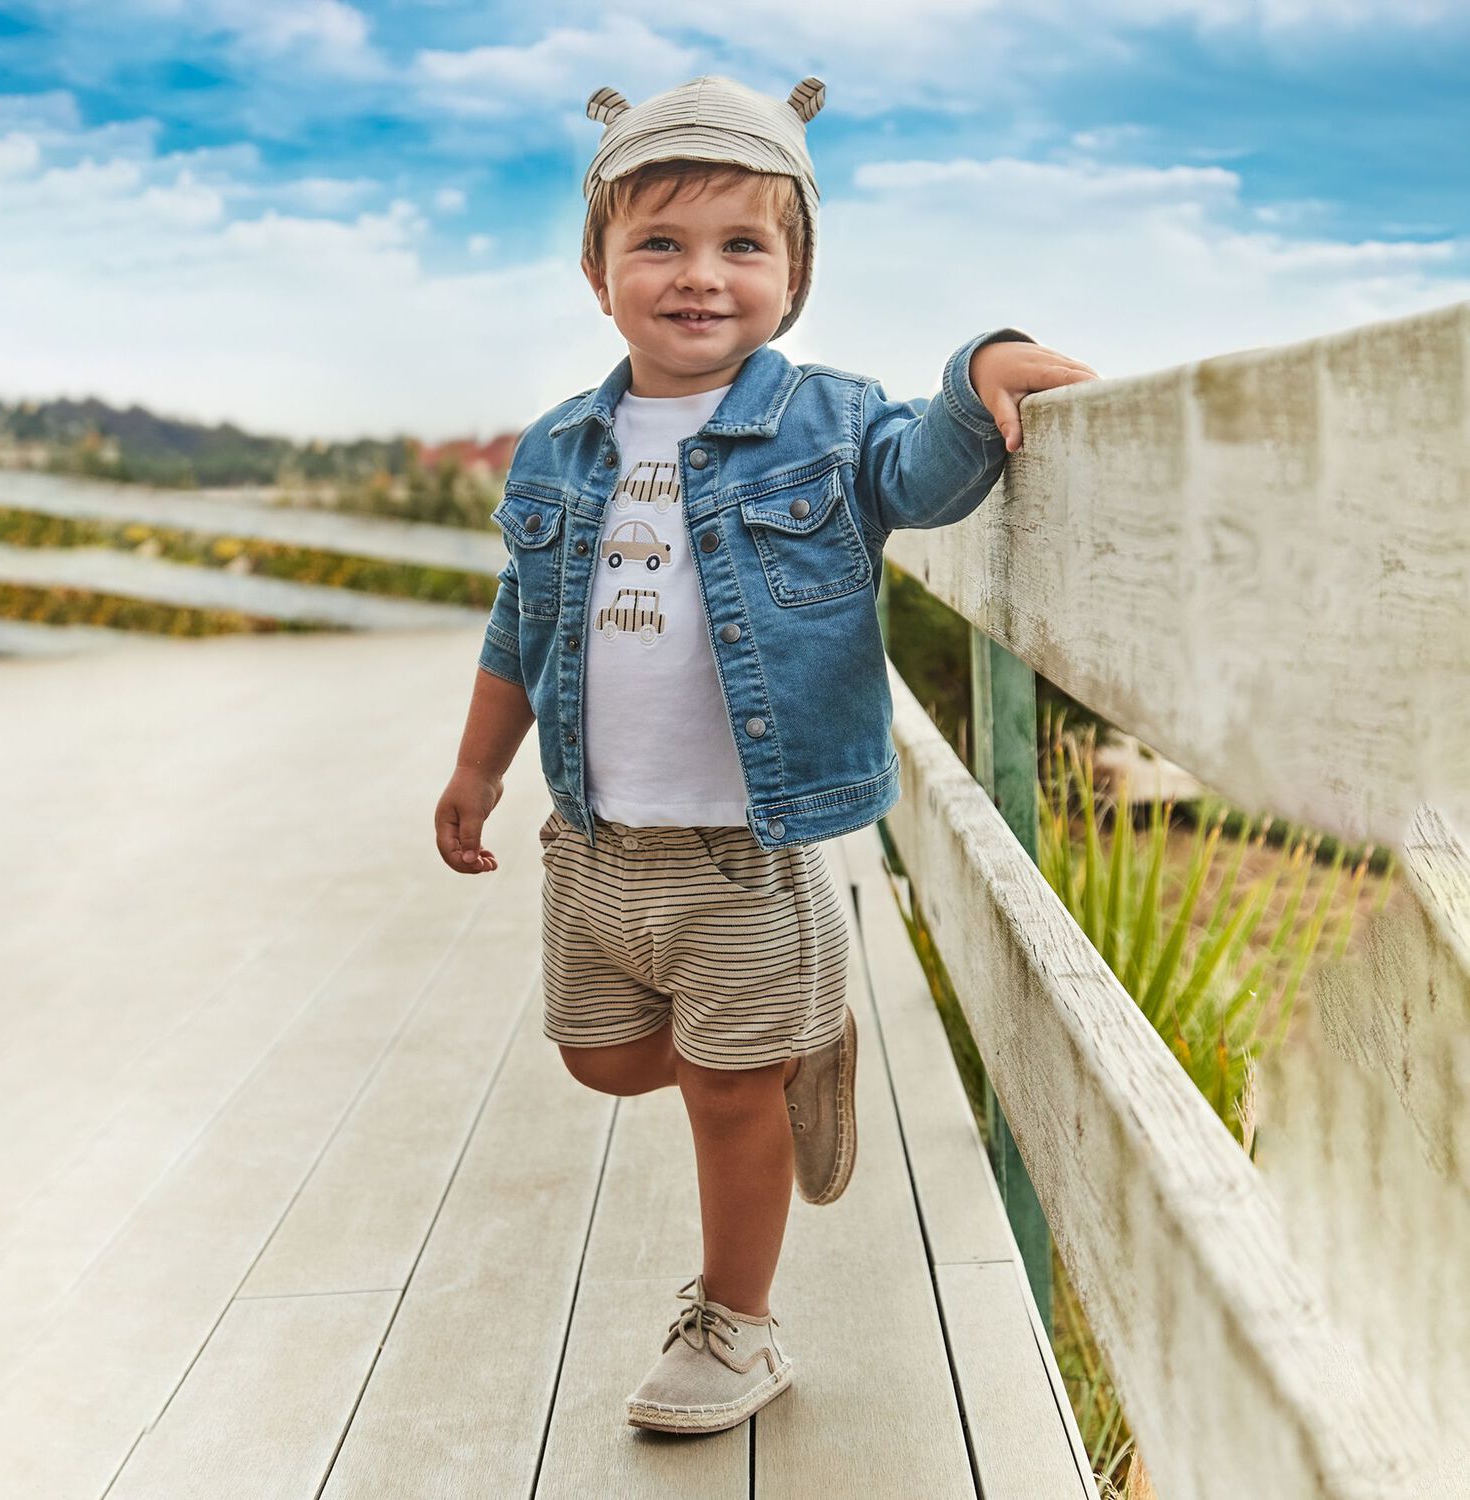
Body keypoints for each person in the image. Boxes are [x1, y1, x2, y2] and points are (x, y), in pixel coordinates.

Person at [433, 72, 1097, 1436]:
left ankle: (736, 1327)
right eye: (660, 243)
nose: (700, 274)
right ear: (598, 273)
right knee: (605, 1060)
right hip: (594, 839)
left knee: (725, 1095)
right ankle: (800, 1038)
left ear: (793, 276)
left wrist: (979, 370)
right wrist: (478, 767)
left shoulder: (827, 422)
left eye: (743, 244)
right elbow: (522, 619)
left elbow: (921, 473)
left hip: (750, 848)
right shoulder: (561, 447)